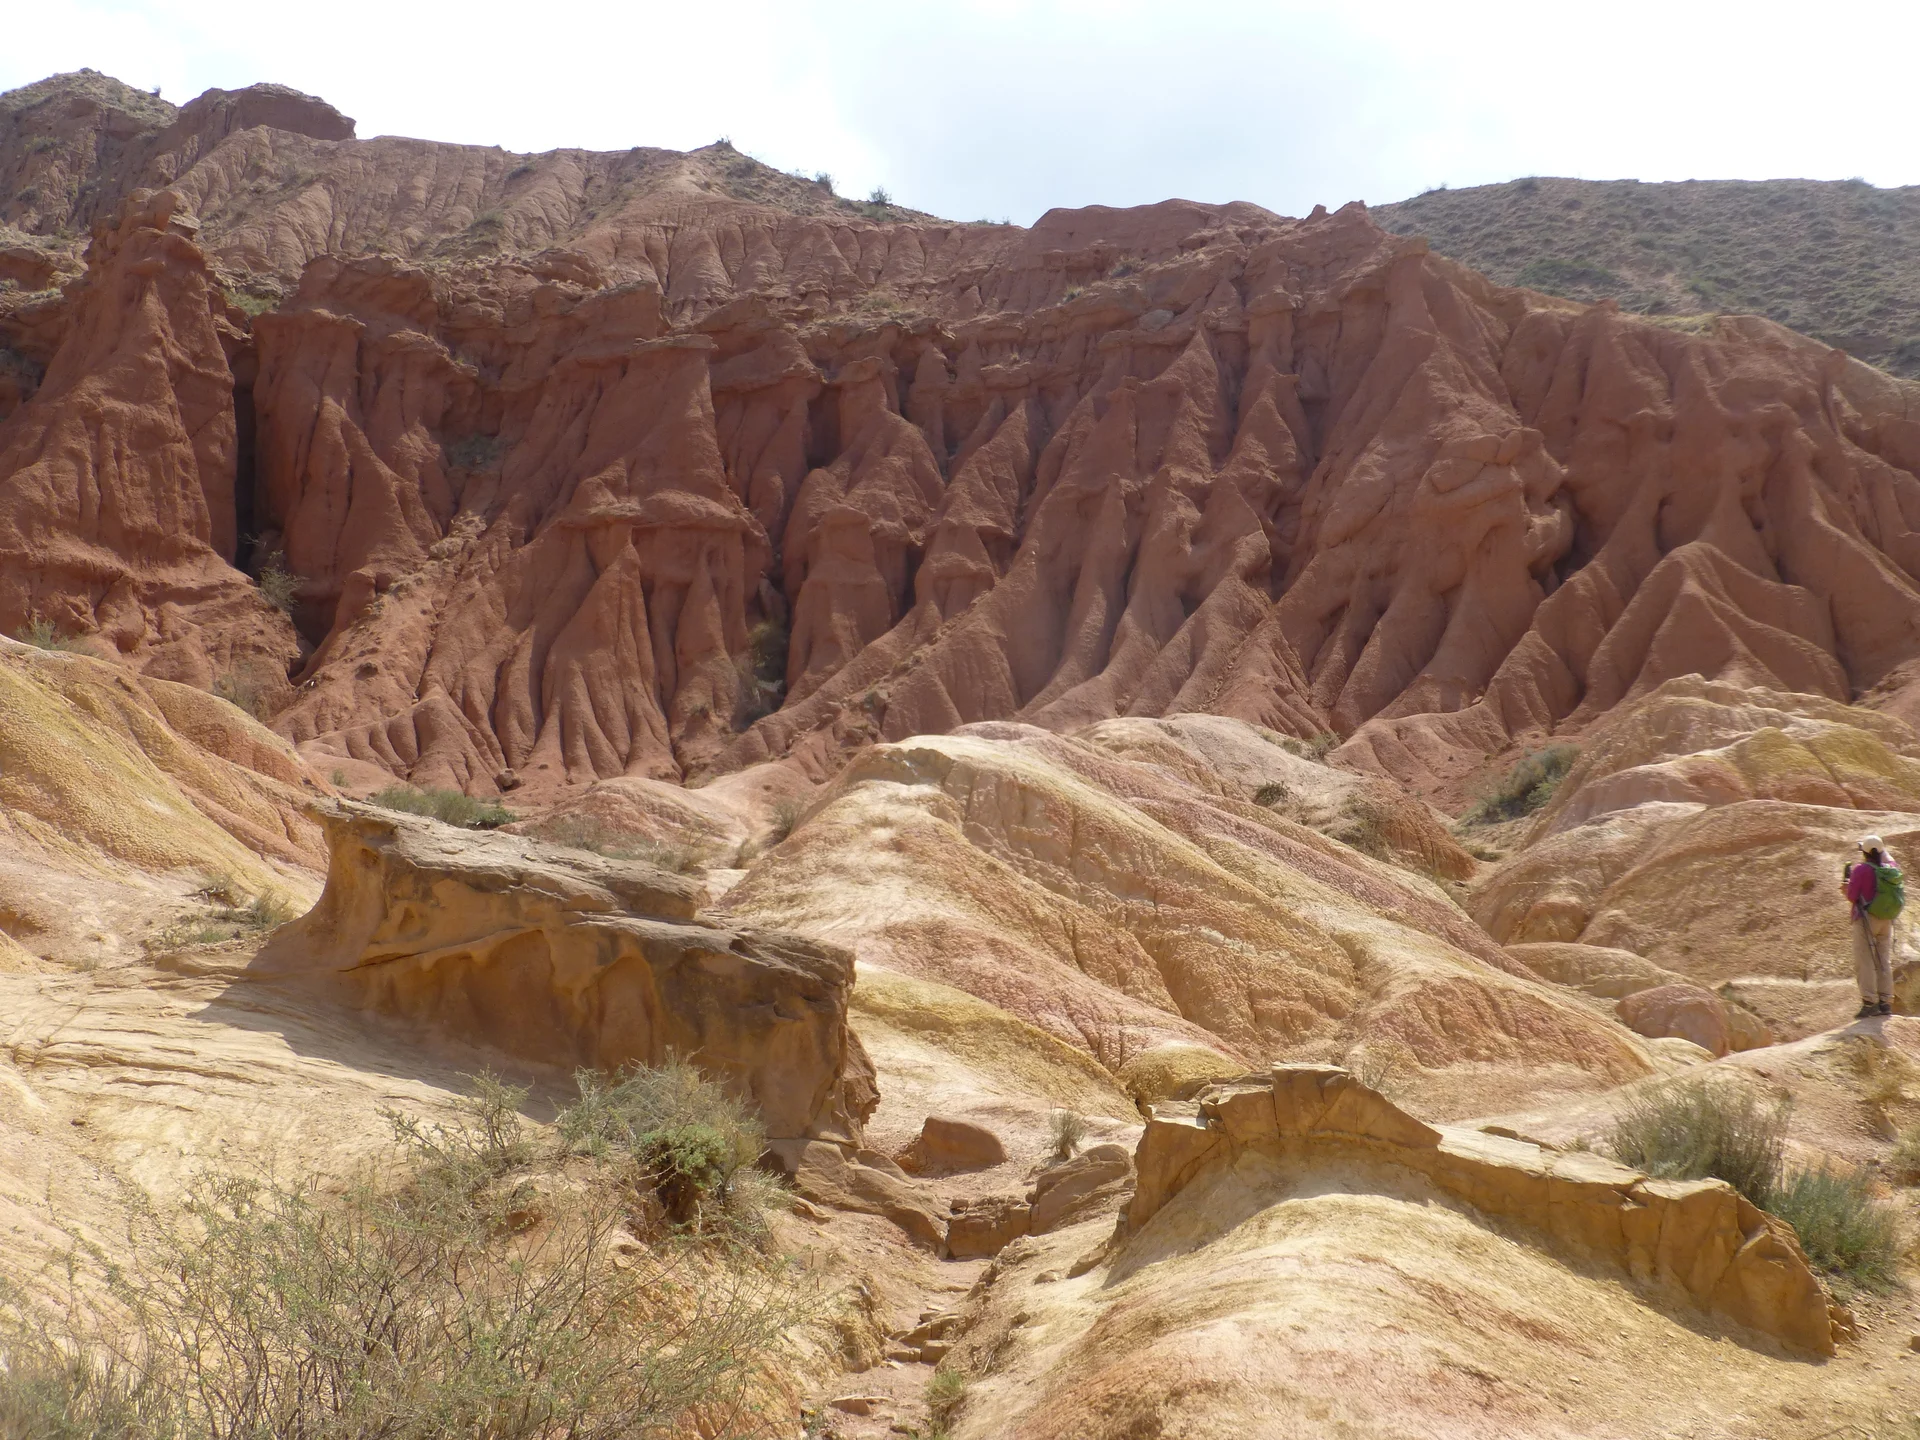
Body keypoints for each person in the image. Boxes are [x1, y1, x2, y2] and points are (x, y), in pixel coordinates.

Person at [1842, 834, 1901, 1019]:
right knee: (1883, 958)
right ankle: (1885, 1002)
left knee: (1865, 959)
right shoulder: (1890, 869)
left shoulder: (1861, 869)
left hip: (1866, 918)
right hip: (1886, 919)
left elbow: (1852, 895)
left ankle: (1869, 1002)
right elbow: (1891, 862)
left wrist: (1846, 887)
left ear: (1865, 853)